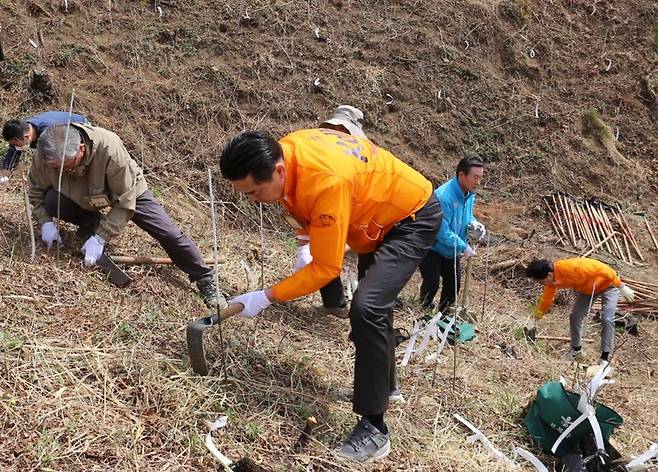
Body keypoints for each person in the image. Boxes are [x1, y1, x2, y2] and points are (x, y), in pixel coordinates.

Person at [219, 128, 442, 462]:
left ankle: (374, 429)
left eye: (254, 191)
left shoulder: (325, 180)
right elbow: (301, 207)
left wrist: (266, 296)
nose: (252, 199)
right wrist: (306, 242)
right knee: (374, 308)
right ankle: (385, 388)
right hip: (372, 216)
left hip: (410, 216)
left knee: (366, 308)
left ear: (278, 171)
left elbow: (326, 269)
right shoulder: (289, 153)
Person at [28, 123, 224, 308]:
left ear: (81, 148)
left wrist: (101, 238)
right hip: (81, 192)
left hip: (126, 189)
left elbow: (125, 201)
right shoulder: (46, 153)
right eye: (57, 168)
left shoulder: (109, 148)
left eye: (68, 164)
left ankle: (204, 278)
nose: (64, 170)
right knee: (52, 201)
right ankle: (90, 224)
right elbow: (36, 190)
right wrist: (45, 222)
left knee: (168, 232)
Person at [292, 105, 368, 316]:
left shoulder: (362, 157)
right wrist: (305, 240)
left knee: (367, 267)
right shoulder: (315, 153)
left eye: (342, 131)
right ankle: (335, 303)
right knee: (323, 252)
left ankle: (364, 310)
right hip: (326, 214)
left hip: (360, 217)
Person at [526, 258, 635, 364]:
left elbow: (604, 269)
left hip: (609, 285)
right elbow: (547, 299)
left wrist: (621, 286)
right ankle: (576, 351)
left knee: (607, 318)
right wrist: (536, 317)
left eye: (541, 282)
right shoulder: (551, 280)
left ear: (549, 275)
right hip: (588, 290)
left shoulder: (573, 267)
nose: (542, 285)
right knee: (575, 316)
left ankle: (604, 358)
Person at [418, 155, 486, 311]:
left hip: (451, 249)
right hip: (432, 247)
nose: (478, 182)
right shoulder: (444, 197)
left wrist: (474, 223)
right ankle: (423, 311)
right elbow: (442, 232)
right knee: (431, 282)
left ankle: (444, 318)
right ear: (461, 175)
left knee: (453, 285)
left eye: (480, 178)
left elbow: (466, 215)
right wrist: (464, 246)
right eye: (475, 178)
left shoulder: (469, 193)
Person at [2, 111, 89, 173]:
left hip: (82, 129)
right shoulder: (23, 128)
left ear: (26, 137)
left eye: (15, 144)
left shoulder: (49, 132)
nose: (15, 147)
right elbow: (13, 150)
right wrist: (6, 169)